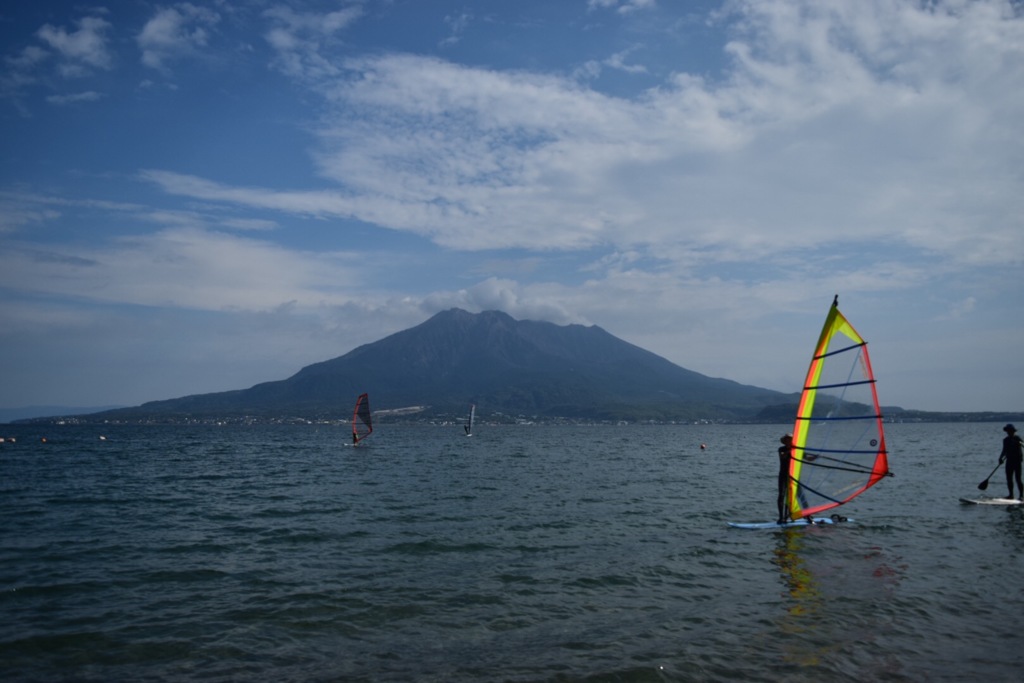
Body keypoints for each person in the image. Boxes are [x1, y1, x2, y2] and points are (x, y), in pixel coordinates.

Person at [999, 424, 1024, 500]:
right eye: (1008, 431)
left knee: (1018, 479)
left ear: (1013, 431)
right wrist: (1000, 458)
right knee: (1009, 479)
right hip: (1009, 461)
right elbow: (1004, 450)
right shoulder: (1005, 440)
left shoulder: (1017, 438)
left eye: (1010, 431)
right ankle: (1011, 495)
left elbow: (1023, 445)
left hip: (1017, 461)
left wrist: (1020, 443)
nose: (1009, 432)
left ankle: (1021, 496)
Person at [777, 434, 793, 524]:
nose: (788, 441)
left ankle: (787, 517)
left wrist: (816, 457)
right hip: (783, 475)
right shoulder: (781, 449)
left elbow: (807, 458)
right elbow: (782, 456)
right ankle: (781, 517)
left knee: (791, 496)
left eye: (790, 439)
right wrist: (790, 450)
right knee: (781, 495)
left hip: (793, 476)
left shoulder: (796, 450)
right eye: (787, 439)